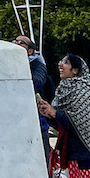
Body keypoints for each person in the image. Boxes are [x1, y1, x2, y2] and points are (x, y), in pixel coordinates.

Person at [14, 35, 55, 164]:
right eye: (14, 41)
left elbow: (36, 82)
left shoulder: (38, 65)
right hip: (19, 120)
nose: (15, 44)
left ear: (30, 51)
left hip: (36, 121)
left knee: (41, 160)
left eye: (20, 43)